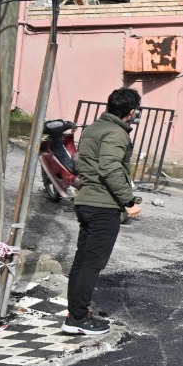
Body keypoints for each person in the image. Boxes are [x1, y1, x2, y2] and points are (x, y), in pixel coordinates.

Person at [65, 88, 143, 336]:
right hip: (103, 205)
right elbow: (110, 169)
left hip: (86, 201)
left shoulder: (93, 129)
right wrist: (129, 201)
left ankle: (75, 314)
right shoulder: (116, 133)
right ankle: (78, 318)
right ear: (131, 112)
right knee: (92, 263)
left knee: (82, 260)